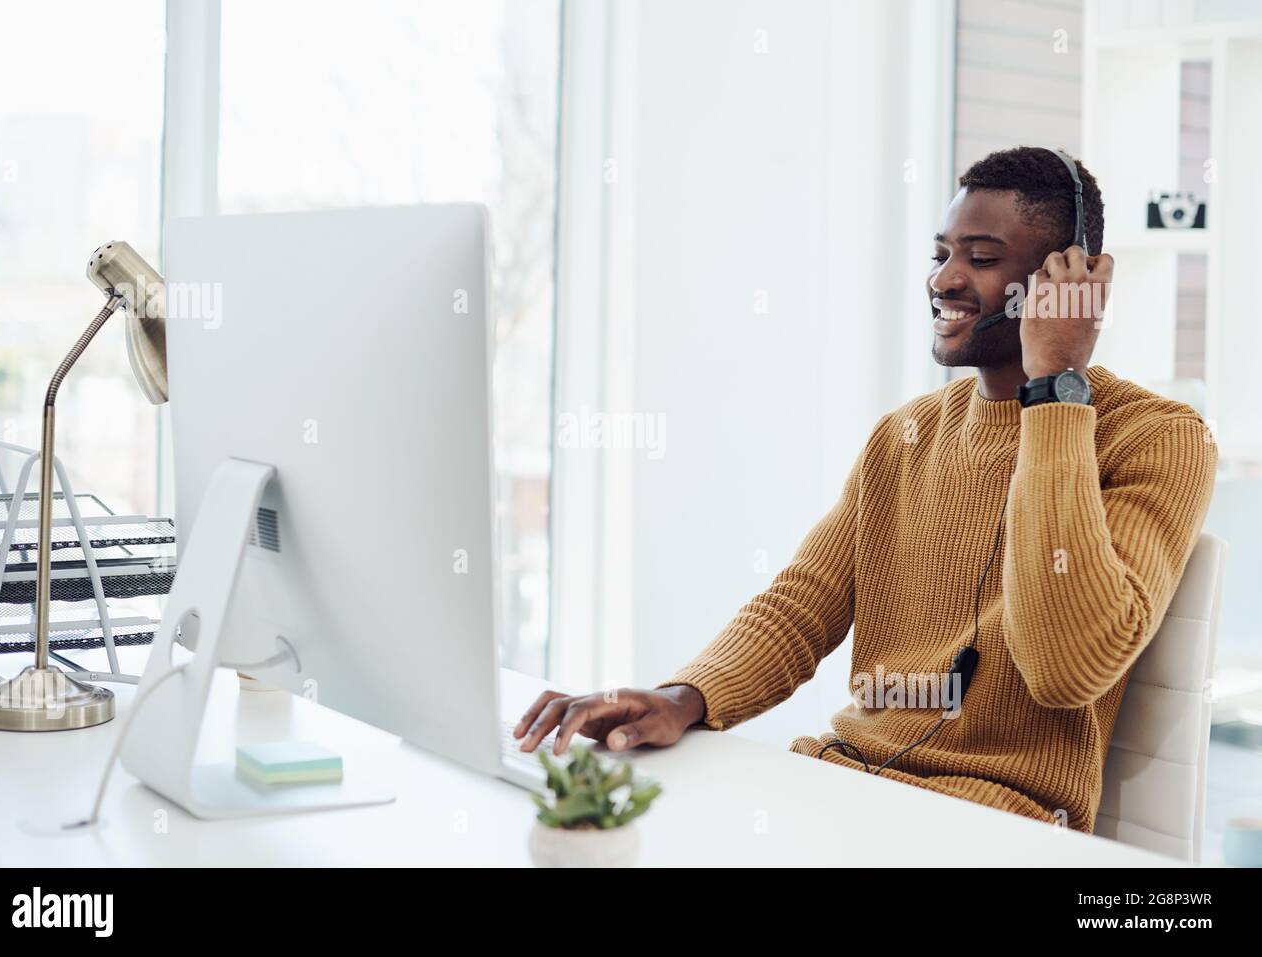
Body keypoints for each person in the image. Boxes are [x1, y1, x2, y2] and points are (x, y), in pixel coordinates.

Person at [513, 146, 1217, 833]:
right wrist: (679, 698)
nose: (944, 279)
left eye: (980, 257)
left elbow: (1066, 667)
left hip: (995, 828)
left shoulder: (1158, 438)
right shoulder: (905, 434)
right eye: (940, 253)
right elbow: (797, 609)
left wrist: (1056, 388)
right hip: (841, 791)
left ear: (1068, 281)